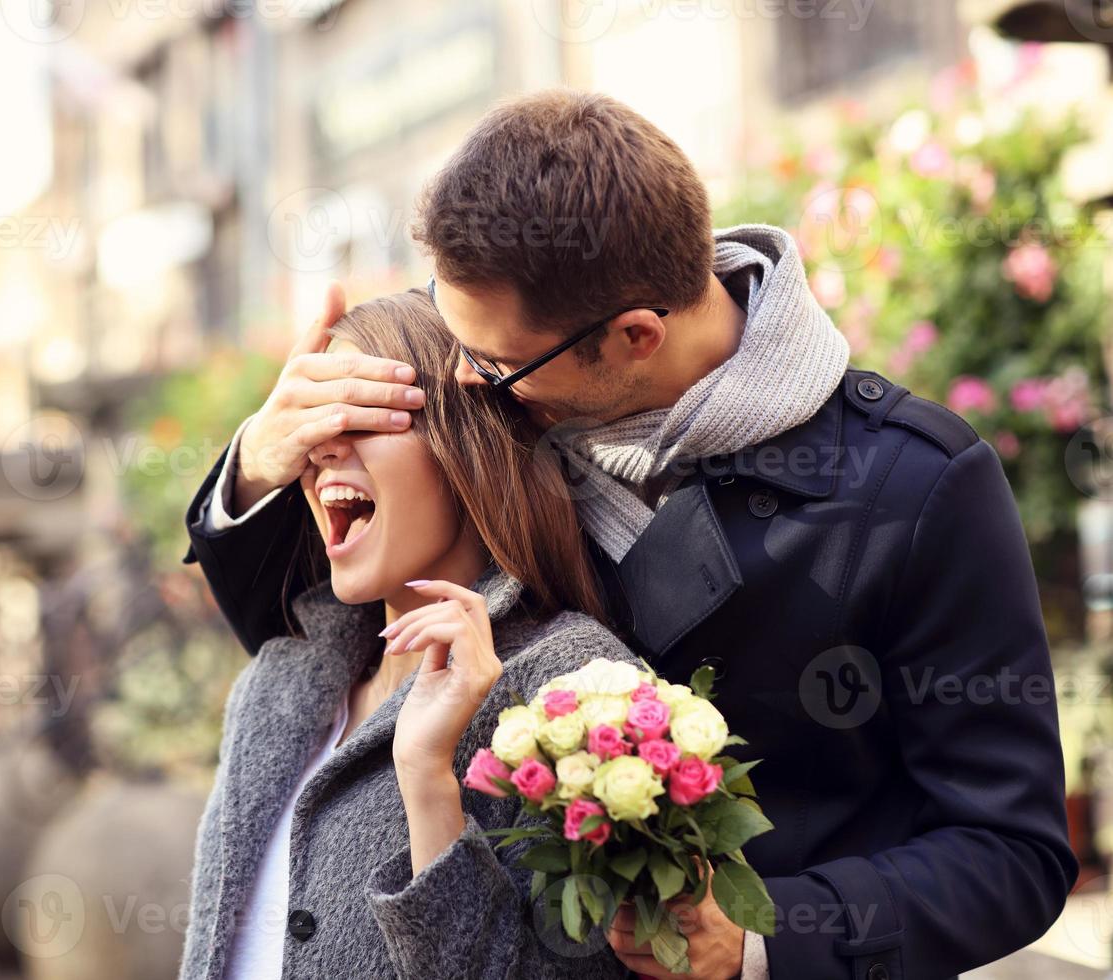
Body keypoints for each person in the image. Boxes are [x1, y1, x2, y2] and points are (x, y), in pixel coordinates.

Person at [185, 90, 1077, 980]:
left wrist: (760, 939)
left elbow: (1009, 850)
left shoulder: (912, 485)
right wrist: (258, 463)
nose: (462, 379)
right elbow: (318, 641)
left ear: (635, 336)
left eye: (491, 368)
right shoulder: (521, 357)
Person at [179, 290, 641, 980]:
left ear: (467, 448)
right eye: (315, 417)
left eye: (363, 413)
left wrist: (428, 782)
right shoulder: (277, 682)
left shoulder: (575, 687)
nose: (323, 443)